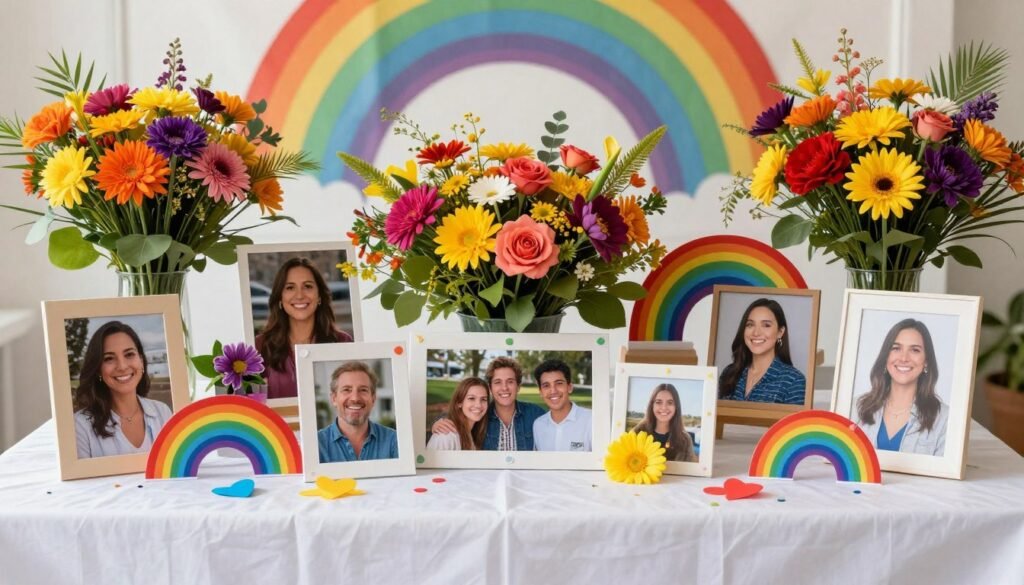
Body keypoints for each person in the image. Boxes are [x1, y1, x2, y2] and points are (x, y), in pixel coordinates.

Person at [255, 257, 353, 399]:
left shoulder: (342, 342)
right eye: (290, 287)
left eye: (307, 286)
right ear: (280, 298)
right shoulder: (260, 346)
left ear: (319, 296)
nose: (300, 295)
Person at [73, 321, 173, 459]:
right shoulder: (81, 426)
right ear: (98, 370)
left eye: (129, 354)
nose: (122, 366)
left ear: (141, 361)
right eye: (109, 358)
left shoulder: (163, 412)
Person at [855, 319, 948, 456]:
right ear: (886, 357)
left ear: (926, 361)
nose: (904, 358)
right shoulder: (856, 408)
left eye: (915, 350)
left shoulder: (944, 418)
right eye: (896, 348)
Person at [432, 356, 545, 450]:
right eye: (497, 382)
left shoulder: (535, 413)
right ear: (490, 387)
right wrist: (438, 422)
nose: (504, 388)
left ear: (518, 386)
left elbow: (553, 425)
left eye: (510, 382)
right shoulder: (480, 416)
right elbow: (459, 417)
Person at [718, 298, 806, 405]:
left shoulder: (794, 381)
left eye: (766, 325)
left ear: (780, 332)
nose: (756, 333)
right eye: (750, 325)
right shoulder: (729, 373)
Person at [318, 361, 399, 463]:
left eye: (363, 390)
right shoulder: (317, 443)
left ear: (373, 399)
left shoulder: (394, 440)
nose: (355, 398)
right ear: (334, 398)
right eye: (347, 390)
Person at [532, 359, 592, 452]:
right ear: (540, 392)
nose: (553, 391)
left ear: (569, 387)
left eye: (559, 383)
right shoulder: (538, 425)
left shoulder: (591, 420)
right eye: (546, 385)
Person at [631, 383, 697, 462]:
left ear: (676, 407)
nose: (664, 407)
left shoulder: (685, 440)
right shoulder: (636, 434)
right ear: (652, 405)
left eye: (670, 403)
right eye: (658, 402)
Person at [426, 377, 489, 450]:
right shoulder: (446, 436)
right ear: (459, 403)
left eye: (483, 399)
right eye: (471, 398)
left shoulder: (473, 432)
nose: (478, 405)